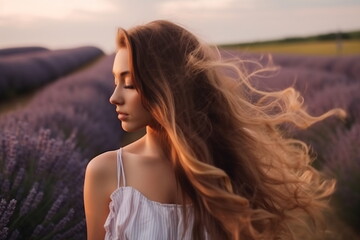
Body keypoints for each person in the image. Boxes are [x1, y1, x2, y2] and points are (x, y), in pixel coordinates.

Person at [83, 20, 345, 240]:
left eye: (128, 84)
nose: (114, 97)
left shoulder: (227, 166)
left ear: (168, 86)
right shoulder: (106, 173)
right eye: (115, 81)